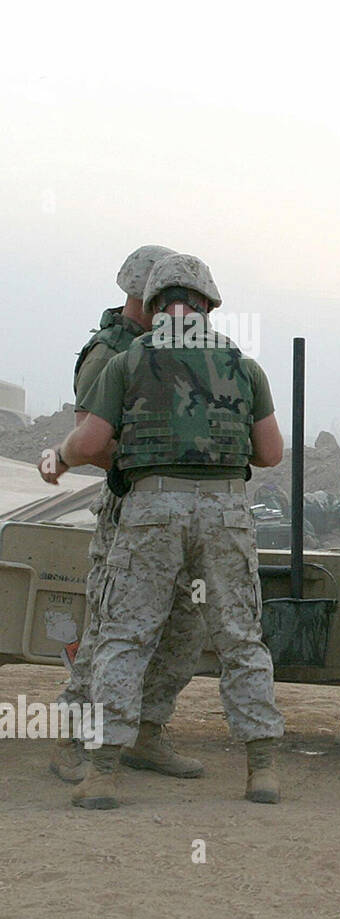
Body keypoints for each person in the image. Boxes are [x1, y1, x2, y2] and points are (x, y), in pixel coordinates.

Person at [43, 253, 286, 809]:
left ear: (154, 308)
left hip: (151, 510)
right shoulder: (243, 366)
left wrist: (55, 456)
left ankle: (103, 772)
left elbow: (88, 442)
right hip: (225, 512)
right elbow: (270, 453)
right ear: (208, 306)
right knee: (240, 637)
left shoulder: (129, 361)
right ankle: (263, 769)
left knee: (126, 635)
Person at [48, 244, 208, 785]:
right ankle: (76, 734)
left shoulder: (184, 347)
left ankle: (146, 731)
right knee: (115, 625)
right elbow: (89, 441)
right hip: (131, 504)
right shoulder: (110, 351)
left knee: (183, 624)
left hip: (183, 506)